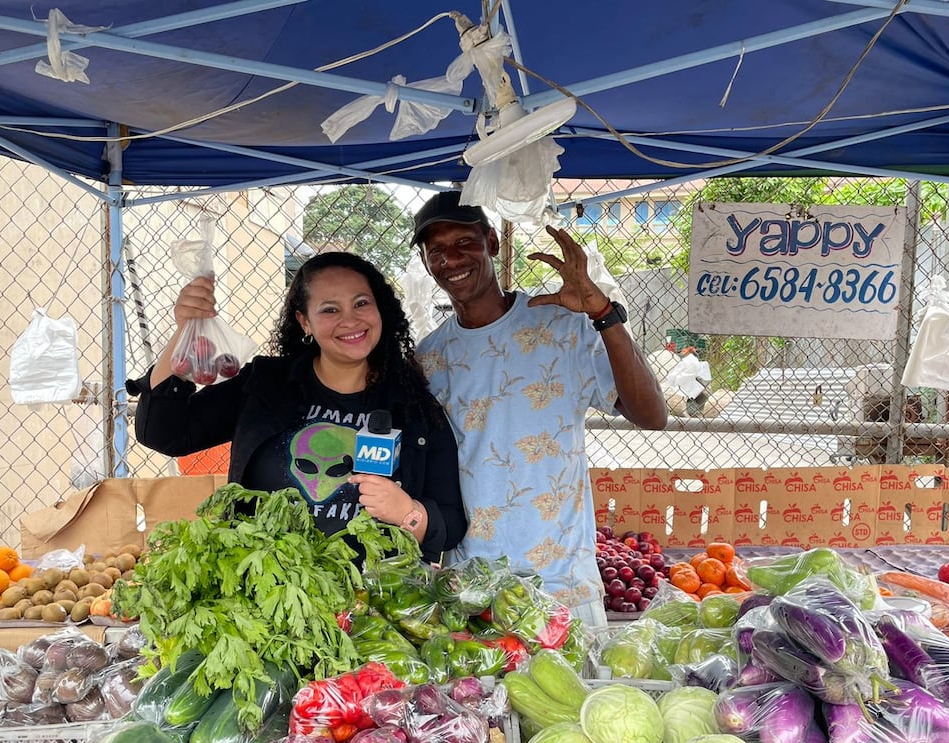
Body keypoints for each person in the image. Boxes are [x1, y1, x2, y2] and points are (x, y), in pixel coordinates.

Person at [413, 192, 668, 627]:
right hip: (473, 586)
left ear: (492, 243)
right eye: (436, 250)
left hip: (561, 581)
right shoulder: (429, 358)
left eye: (464, 243)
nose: (451, 260)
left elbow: (651, 415)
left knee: (575, 695)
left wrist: (604, 314)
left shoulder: (560, 326)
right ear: (425, 262)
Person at [127, 251, 466, 563]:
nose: (350, 320)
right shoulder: (266, 384)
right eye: (330, 309)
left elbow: (450, 523)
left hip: (372, 609)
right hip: (264, 596)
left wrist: (408, 512)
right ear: (305, 321)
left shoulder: (413, 404)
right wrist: (184, 331)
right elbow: (165, 433)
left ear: (380, 310)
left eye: (361, 303)